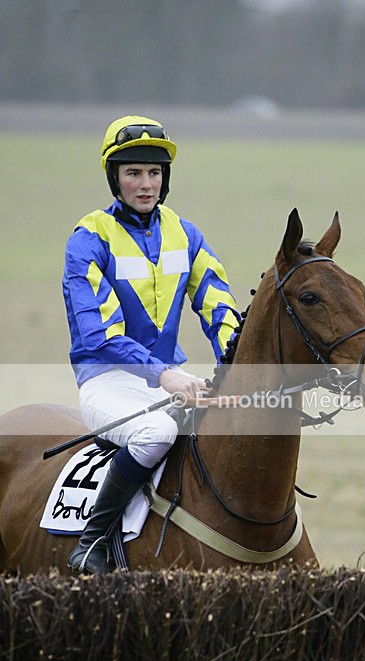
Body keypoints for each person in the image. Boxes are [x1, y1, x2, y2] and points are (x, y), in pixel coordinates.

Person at [63, 114, 240, 574]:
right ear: (114, 178)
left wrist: (236, 366)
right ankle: (91, 542)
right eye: (134, 173)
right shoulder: (89, 238)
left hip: (169, 379)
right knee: (157, 433)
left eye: (155, 174)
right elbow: (98, 334)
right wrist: (165, 374)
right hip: (107, 381)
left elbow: (219, 306)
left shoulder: (186, 234)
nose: (146, 185)